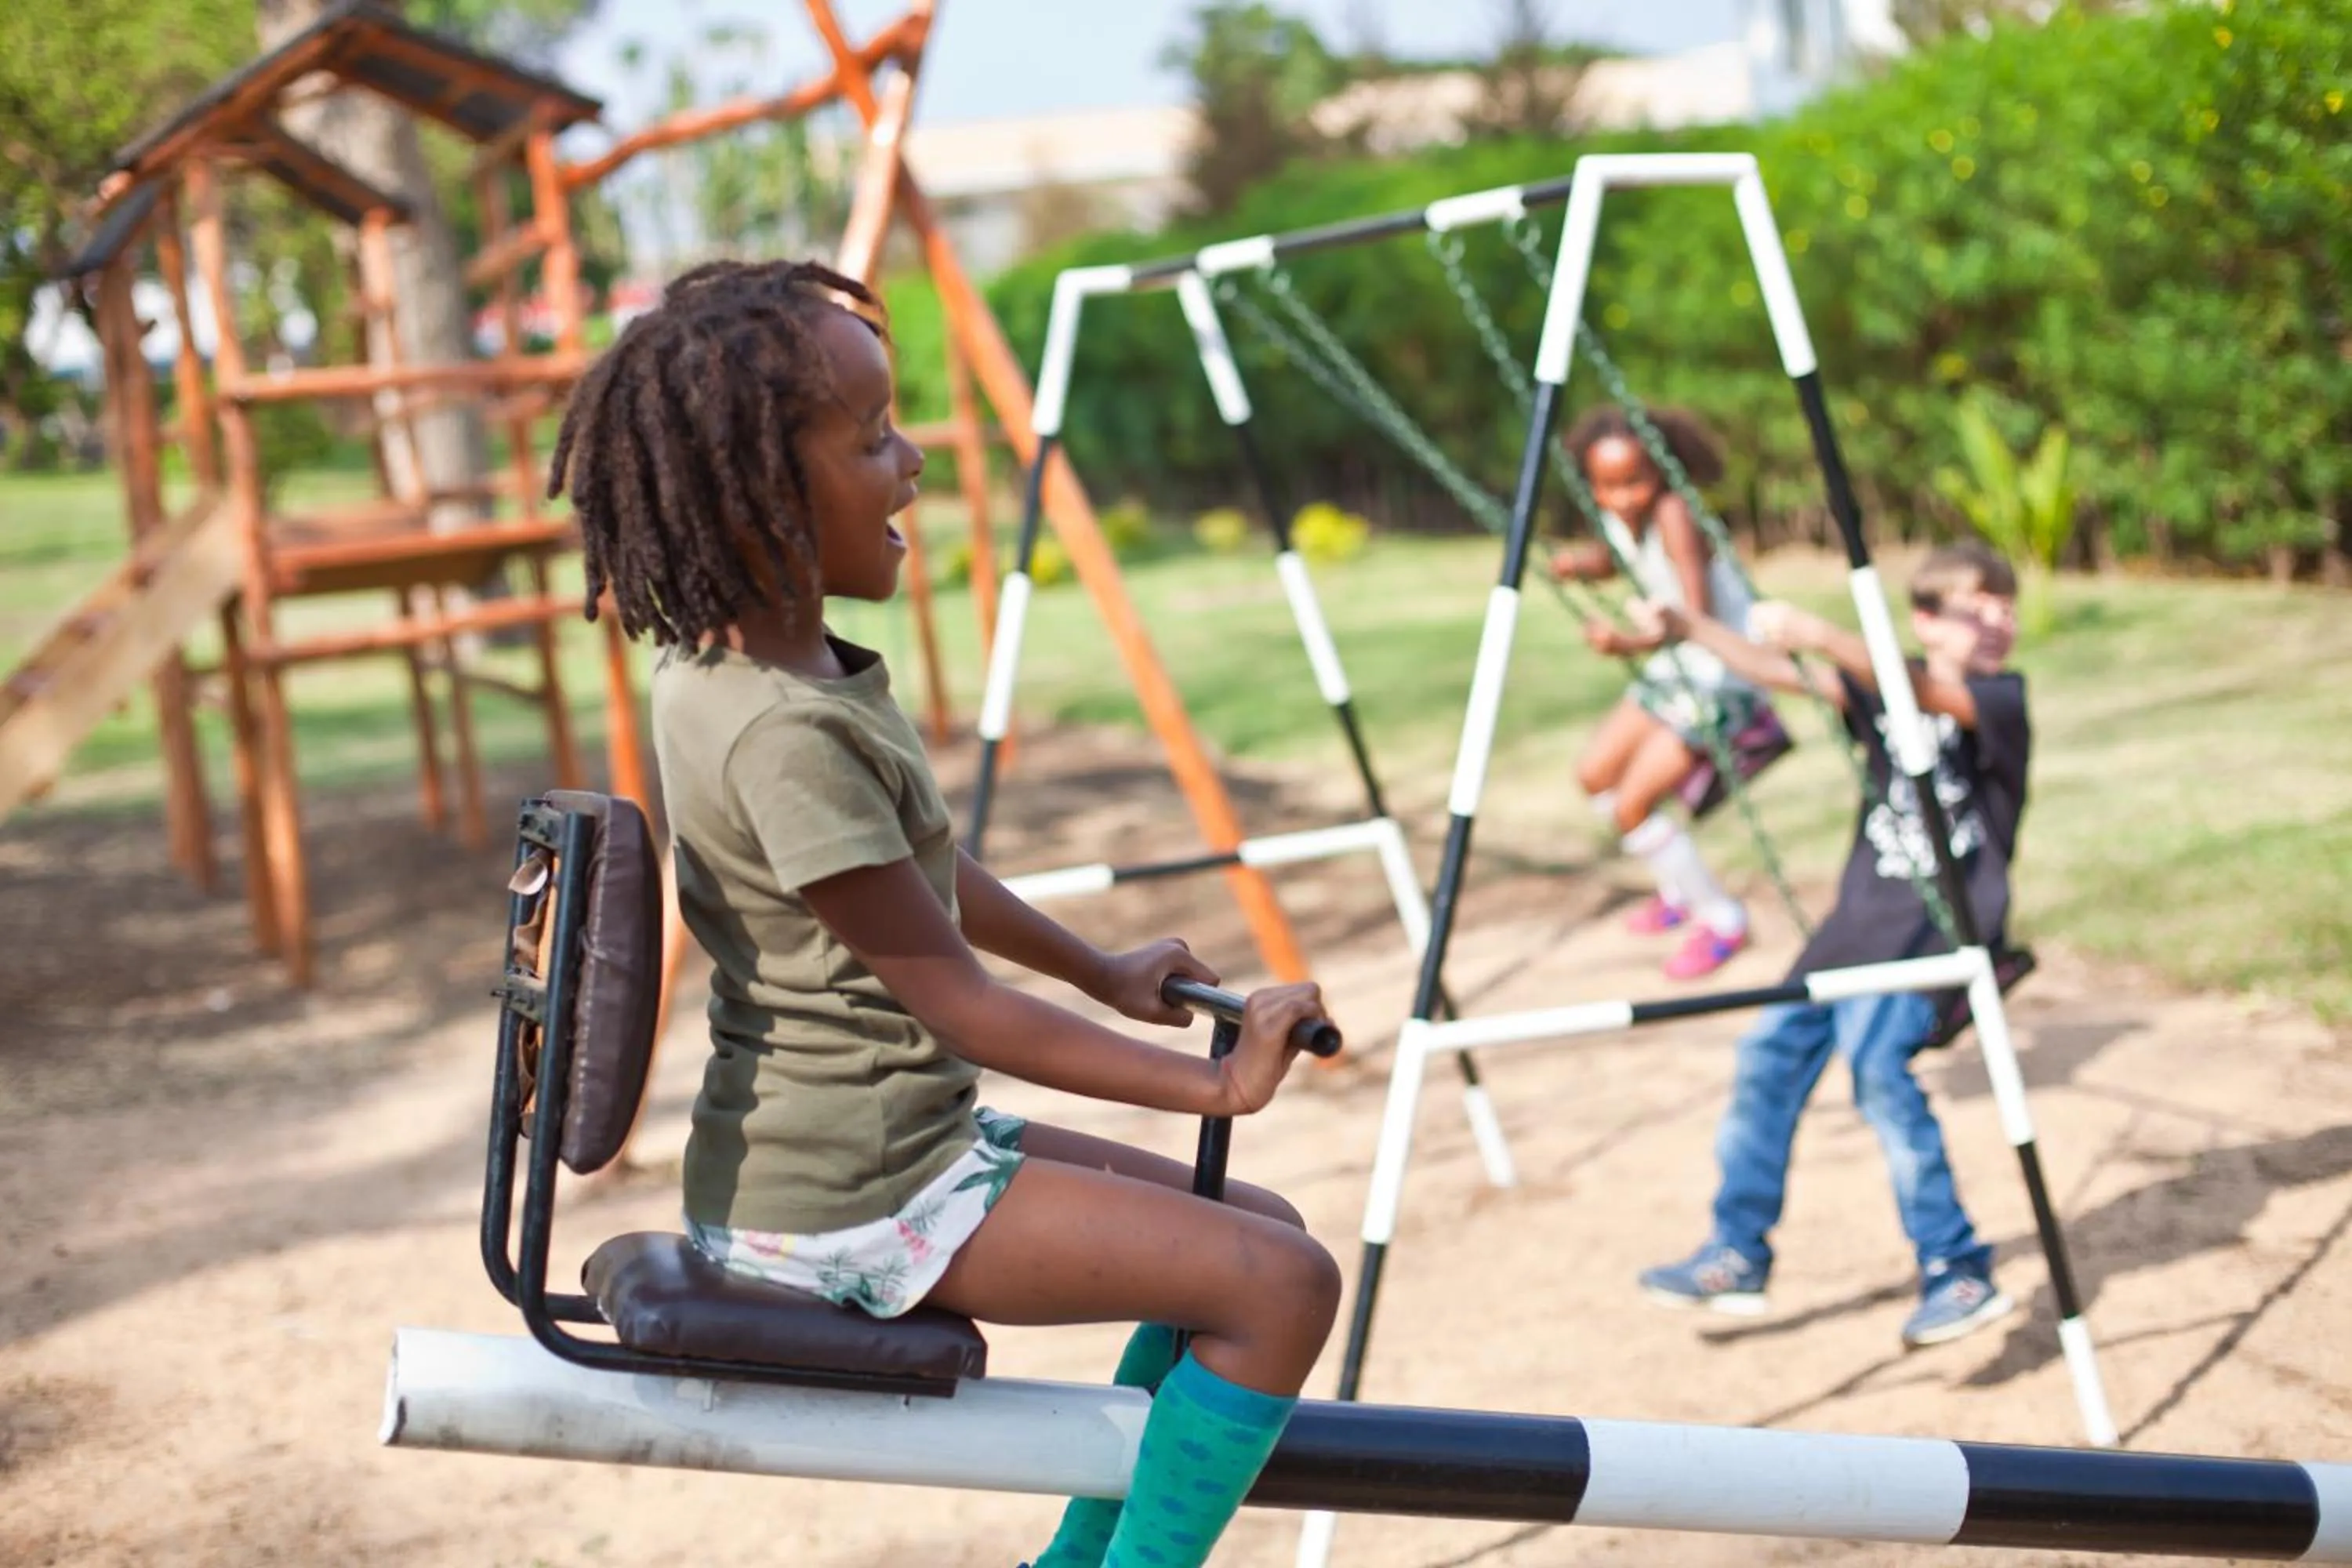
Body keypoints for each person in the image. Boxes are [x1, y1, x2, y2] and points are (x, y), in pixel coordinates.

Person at [549, 259, 1341, 1568]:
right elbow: (964, 1008)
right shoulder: (780, 732)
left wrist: (1098, 969)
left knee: (1266, 1234)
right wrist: (1213, 1086)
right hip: (850, 1195)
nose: (911, 462)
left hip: (875, 1148)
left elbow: (915, 865)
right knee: (1285, 1287)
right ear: (759, 496)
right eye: (871, 439)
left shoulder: (744, 670)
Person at [1624, 539, 2027, 1348]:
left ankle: (1956, 1266)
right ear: (1924, 620)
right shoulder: (1880, 684)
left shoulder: (1997, 698)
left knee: (1878, 1068)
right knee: (1766, 1056)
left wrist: (1819, 632)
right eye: (1974, 608)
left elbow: (1919, 688)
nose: (1995, 622)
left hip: (1936, 931)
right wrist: (1689, 624)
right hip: (1853, 932)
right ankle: (1738, 1250)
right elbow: (1776, 670)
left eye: (2005, 608)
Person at [1550, 406, 1769, 981]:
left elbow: (1696, 617)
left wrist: (1625, 643)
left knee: (1632, 806)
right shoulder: (1623, 517)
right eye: (1606, 486)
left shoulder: (1675, 513)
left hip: (1723, 671)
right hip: (1679, 666)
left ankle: (1722, 919)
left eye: (1634, 482)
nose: (1621, 498)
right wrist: (1577, 565)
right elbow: (1614, 558)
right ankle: (1678, 888)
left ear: (1663, 472)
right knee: (1595, 775)